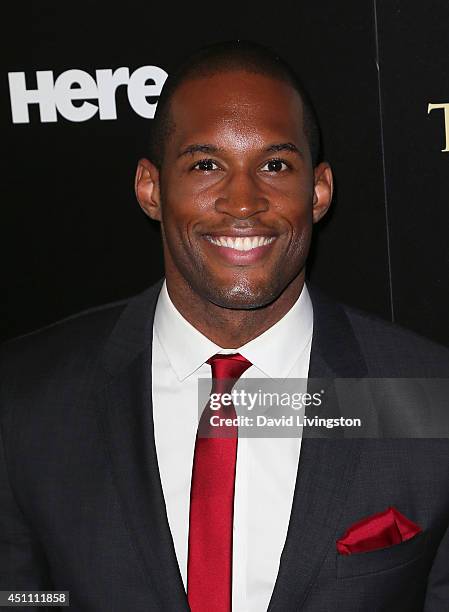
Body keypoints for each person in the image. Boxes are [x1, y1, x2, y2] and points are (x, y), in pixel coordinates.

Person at [1, 40, 449, 612]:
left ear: (319, 191)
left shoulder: (427, 400)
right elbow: (22, 598)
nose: (243, 202)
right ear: (150, 188)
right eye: (206, 165)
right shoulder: (25, 402)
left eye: (275, 165)